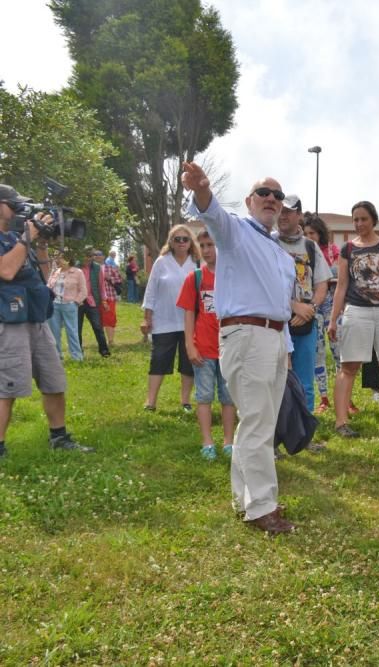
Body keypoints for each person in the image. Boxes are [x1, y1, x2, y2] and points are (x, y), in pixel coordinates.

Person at [182, 162, 296, 535]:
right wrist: (201, 189)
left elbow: (281, 304)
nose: (272, 200)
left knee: (256, 422)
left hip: (275, 338)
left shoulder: (279, 252)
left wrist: (286, 347)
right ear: (249, 201)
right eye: (264, 193)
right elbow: (212, 212)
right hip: (247, 336)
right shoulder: (236, 233)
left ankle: (244, 498)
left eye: (278, 196)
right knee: (259, 425)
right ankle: (263, 507)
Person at [0, 183, 93, 457]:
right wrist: (27, 237)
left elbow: (43, 275)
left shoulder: (19, 237)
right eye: (13, 204)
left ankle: (59, 437)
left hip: (36, 316)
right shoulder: (16, 239)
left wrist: (40, 243)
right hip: (9, 321)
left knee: (54, 380)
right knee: (8, 386)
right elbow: (6, 271)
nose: (18, 209)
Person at [328, 201, 379, 437]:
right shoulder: (347, 249)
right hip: (357, 311)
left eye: (363, 219)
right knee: (349, 366)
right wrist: (334, 320)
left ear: (373, 219)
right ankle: (341, 421)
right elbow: (341, 286)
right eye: (355, 219)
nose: (359, 223)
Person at [176, 230, 236, 462]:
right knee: (203, 396)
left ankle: (229, 441)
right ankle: (207, 441)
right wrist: (190, 346)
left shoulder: (231, 276)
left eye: (210, 244)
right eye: (202, 245)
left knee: (229, 397)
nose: (207, 249)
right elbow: (189, 314)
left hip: (229, 347)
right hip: (203, 348)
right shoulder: (195, 278)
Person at [275, 195, 330, 413]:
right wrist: (292, 306)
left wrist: (310, 309)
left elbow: (322, 284)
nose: (283, 215)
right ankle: (277, 435)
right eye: (280, 210)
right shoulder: (268, 242)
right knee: (276, 381)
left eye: (288, 211)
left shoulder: (310, 246)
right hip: (276, 321)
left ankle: (304, 434)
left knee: (305, 383)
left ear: (299, 215)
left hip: (305, 323)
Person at [141, 225, 198, 412]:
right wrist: (146, 318)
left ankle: (185, 401)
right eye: (177, 239)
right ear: (171, 242)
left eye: (185, 239)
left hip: (190, 322)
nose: (181, 242)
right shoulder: (161, 262)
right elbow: (151, 291)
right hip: (164, 321)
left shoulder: (196, 263)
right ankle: (151, 401)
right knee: (158, 360)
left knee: (188, 363)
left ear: (190, 242)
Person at [301, 213, 338, 413]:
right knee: (318, 353)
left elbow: (340, 275)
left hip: (331, 306)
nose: (309, 236)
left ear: (320, 233)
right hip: (312, 307)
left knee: (338, 350)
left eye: (313, 232)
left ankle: (345, 397)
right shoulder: (301, 253)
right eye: (306, 232)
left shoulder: (332, 250)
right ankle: (324, 397)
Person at [46, 251, 86, 362]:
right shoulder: (55, 271)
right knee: (54, 332)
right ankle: (57, 357)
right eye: (56, 257)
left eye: (59, 257)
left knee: (72, 331)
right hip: (55, 305)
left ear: (67, 259)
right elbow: (48, 286)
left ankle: (77, 357)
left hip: (69, 305)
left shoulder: (78, 272)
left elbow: (83, 291)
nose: (57, 260)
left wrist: (75, 302)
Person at [78, 248, 111, 358]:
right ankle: (79, 352)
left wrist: (104, 301)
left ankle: (104, 350)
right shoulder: (75, 266)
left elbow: (101, 286)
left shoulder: (97, 268)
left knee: (98, 326)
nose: (88, 259)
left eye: (90, 256)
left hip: (92, 301)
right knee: (77, 328)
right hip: (78, 301)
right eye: (86, 256)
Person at [100, 252, 123, 346]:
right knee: (99, 320)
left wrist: (109, 279)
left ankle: (110, 341)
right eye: (95, 255)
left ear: (103, 256)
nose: (97, 257)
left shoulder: (110, 267)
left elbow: (119, 280)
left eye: (99, 255)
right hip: (95, 299)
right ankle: (101, 341)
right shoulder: (90, 269)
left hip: (109, 296)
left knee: (110, 318)